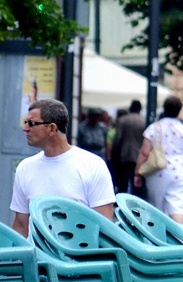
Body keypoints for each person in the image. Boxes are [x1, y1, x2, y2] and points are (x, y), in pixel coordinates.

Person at [11, 99, 116, 235]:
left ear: (52, 128)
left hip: (80, 254)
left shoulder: (92, 165)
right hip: (37, 254)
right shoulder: (25, 168)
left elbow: (105, 227)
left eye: (31, 123)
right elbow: (21, 226)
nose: (25, 128)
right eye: (25, 123)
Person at [135, 96, 183, 223]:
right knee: (177, 207)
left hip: (158, 171)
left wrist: (137, 173)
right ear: (179, 111)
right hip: (180, 171)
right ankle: (179, 238)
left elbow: (144, 152)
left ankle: (159, 238)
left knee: (156, 207)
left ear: (164, 109)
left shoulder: (154, 128)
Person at [110, 99, 146, 194]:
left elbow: (117, 138)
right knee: (136, 183)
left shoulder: (122, 120)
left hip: (124, 155)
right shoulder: (144, 121)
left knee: (123, 182)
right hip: (139, 156)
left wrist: (114, 155)